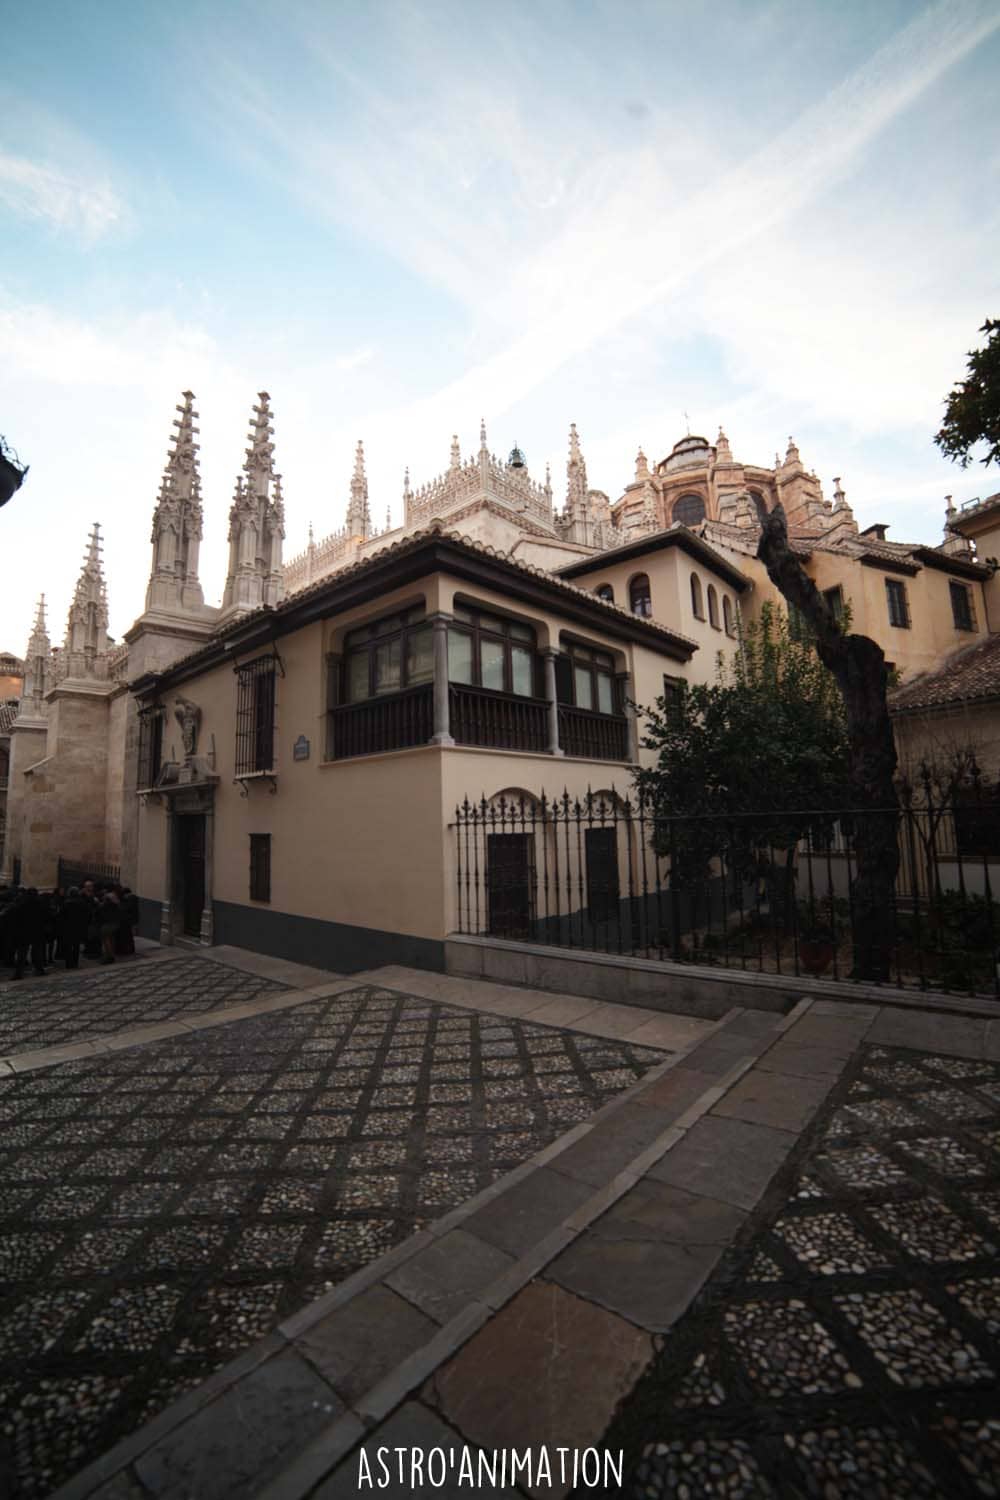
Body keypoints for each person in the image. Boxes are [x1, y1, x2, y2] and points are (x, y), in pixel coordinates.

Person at [8, 887, 47, 979]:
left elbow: (16, 918)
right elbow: (45, 917)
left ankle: (18, 973)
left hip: (24, 932)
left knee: (22, 953)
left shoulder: (22, 904)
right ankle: (39, 970)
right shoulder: (40, 904)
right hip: (37, 931)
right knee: (37, 952)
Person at [60, 886, 90, 969]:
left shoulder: (66, 903)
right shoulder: (82, 902)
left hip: (68, 927)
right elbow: (86, 914)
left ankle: (69, 963)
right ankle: (75, 962)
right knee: (76, 945)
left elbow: (61, 915)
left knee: (68, 946)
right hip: (78, 927)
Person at [97, 886, 121, 963]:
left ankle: (109, 956)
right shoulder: (116, 903)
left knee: (106, 940)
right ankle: (112, 955)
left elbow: (100, 911)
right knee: (112, 939)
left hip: (107, 924)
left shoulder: (105, 904)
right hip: (115, 923)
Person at [115, 886, 138, 956]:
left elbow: (127, 909)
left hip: (126, 921)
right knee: (129, 936)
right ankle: (130, 950)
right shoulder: (132, 899)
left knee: (126, 936)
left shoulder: (129, 900)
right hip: (129, 921)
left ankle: (126, 950)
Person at [81, 879, 101, 959]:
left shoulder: (96, 894)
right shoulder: (82, 895)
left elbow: (98, 905)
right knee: (88, 937)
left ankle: (95, 952)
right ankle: (88, 951)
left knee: (94, 937)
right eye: (87, 886)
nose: (89, 888)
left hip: (94, 919)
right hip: (86, 919)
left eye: (90, 886)